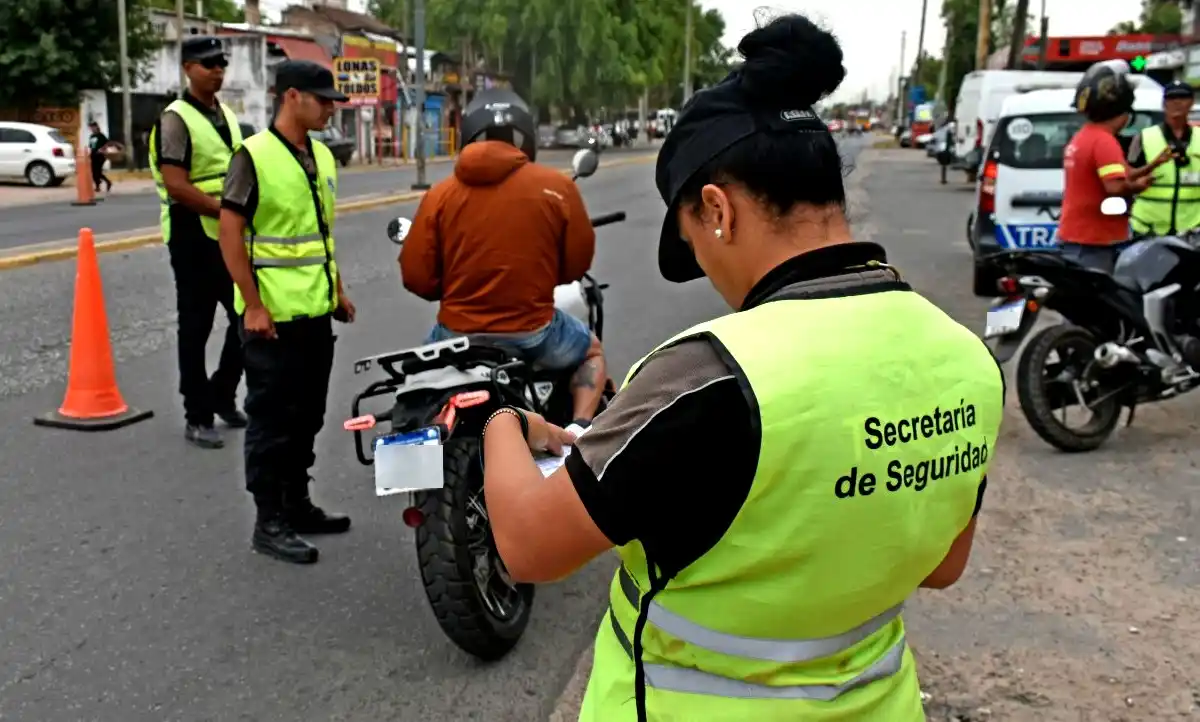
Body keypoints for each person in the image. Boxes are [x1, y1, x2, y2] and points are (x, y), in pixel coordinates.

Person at [476, 15, 1005, 722]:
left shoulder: (710, 376)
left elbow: (527, 548)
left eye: (692, 238)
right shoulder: (965, 356)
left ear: (718, 210)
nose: (703, 266)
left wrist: (500, 423)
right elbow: (942, 565)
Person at [399, 88, 607, 429]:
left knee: (419, 377)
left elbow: (417, 277)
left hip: (455, 333)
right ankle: (578, 432)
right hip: (533, 332)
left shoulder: (439, 195)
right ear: (525, 136)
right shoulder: (556, 188)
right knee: (591, 351)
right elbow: (575, 266)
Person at [218, 60, 356, 565]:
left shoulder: (322, 157)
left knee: (308, 416)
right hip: (270, 321)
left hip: (314, 314)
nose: (329, 109)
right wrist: (253, 305)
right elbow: (230, 233)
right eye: (322, 100)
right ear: (291, 96)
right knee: (271, 422)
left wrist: (336, 289)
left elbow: (320, 235)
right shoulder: (252, 156)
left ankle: (297, 504)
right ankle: (268, 520)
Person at [149, 35, 247, 449]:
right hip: (192, 234)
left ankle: (222, 393)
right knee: (196, 327)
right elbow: (176, 186)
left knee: (247, 318)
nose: (217, 70)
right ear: (188, 68)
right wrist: (224, 210)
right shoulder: (175, 119)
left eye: (221, 63)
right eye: (208, 64)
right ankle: (197, 414)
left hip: (227, 232)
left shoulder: (226, 113)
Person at [1058, 59, 1174, 274]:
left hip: (1077, 239)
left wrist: (1152, 165)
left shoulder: (1084, 137)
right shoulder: (1105, 142)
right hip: (1094, 242)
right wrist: (1138, 188)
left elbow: (1125, 173)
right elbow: (1115, 186)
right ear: (1121, 111)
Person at [1127, 80, 1200, 238]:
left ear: (1191, 103)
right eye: (1171, 98)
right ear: (1164, 103)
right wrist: (1153, 165)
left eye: (1183, 97)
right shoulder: (1144, 137)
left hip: (1192, 229)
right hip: (1148, 227)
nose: (1177, 102)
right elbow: (1128, 175)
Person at [87, 121, 113, 193]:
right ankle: (98, 186)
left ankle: (107, 182)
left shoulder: (101, 135)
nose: (92, 129)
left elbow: (108, 143)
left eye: (93, 127)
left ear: (96, 127)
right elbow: (91, 146)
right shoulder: (92, 136)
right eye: (91, 127)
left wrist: (102, 149)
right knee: (94, 172)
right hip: (93, 155)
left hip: (100, 156)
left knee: (97, 172)